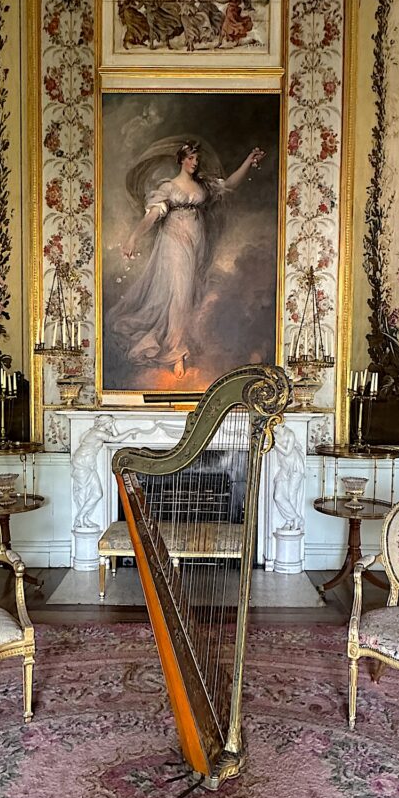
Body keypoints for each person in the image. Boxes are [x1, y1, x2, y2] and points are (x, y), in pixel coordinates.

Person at [112, 139, 265, 379]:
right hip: (174, 244)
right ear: (181, 159)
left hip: (196, 246)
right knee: (180, 295)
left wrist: (248, 160)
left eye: (197, 159)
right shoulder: (169, 188)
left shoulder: (203, 186)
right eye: (190, 158)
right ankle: (176, 354)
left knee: (191, 295)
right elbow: (152, 216)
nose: (195, 163)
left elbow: (231, 184)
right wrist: (133, 237)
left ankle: (181, 345)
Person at [272, 424, 305, 531]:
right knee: (278, 496)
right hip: (284, 468)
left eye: (274, 423)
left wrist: (275, 444)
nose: (272, 425)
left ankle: (289, 522)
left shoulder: (290, 434)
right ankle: (295, 517)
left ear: (281, 423)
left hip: (295, 466)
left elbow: (287, 452)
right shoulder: (273, 435)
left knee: (292, 494)